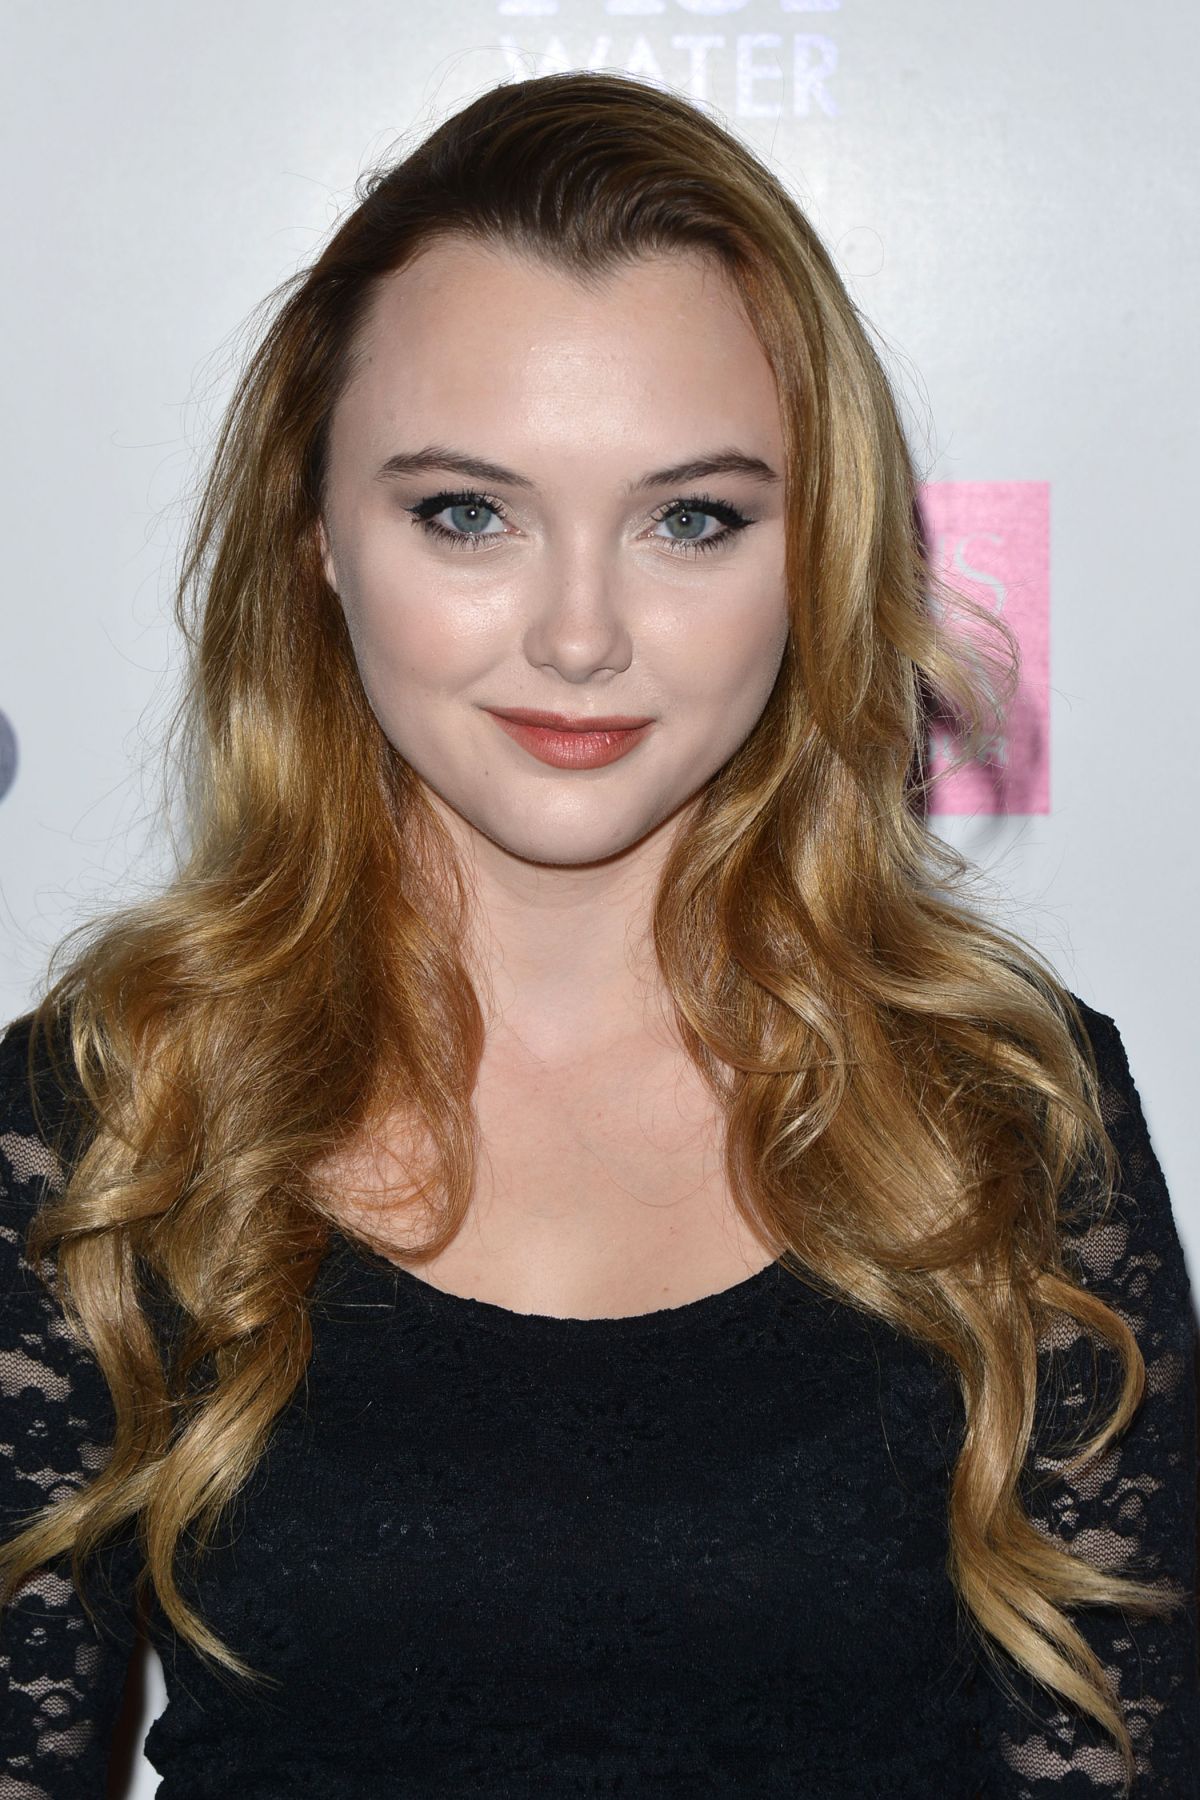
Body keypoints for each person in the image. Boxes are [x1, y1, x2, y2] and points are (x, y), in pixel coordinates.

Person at [0, 69, 1196, 1800]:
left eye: (690, 518)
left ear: (817, 551)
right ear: (314, 533)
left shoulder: (1007, 1106)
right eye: (465, 512)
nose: (579, 635)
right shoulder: (106, 1119)